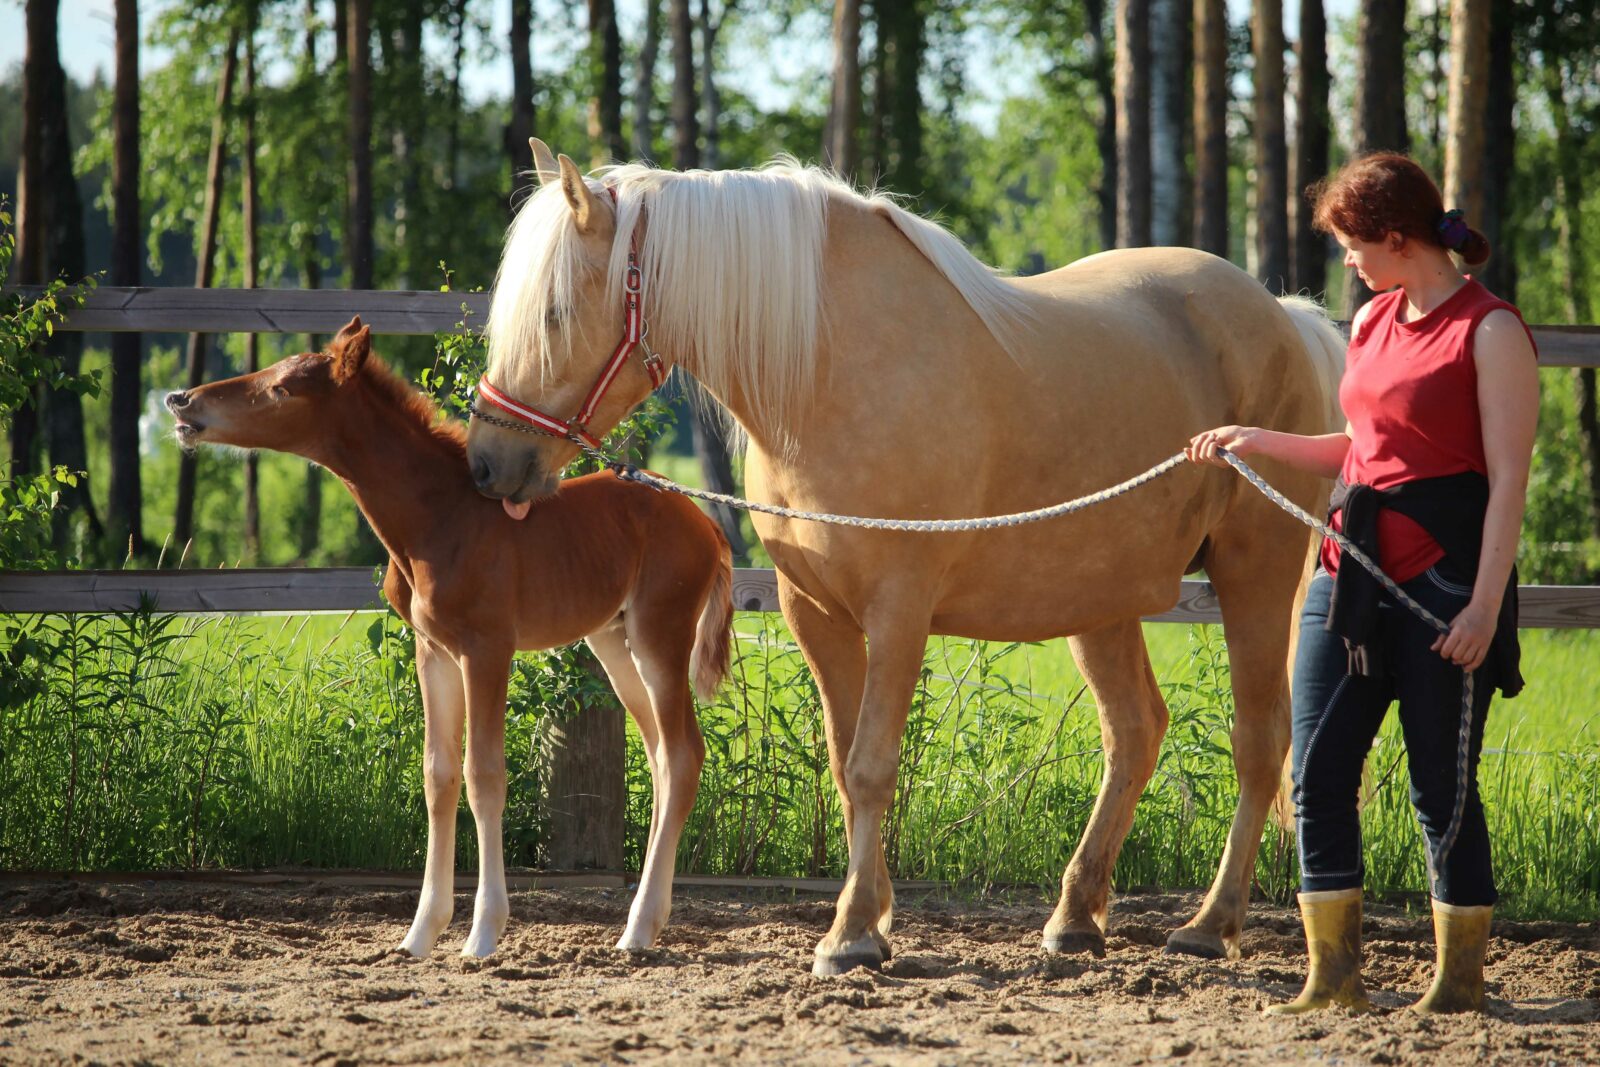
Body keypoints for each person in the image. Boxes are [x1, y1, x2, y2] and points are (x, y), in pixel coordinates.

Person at [1187, 152, 1539, 1015]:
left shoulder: (1490, 332)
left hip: (1444, 584)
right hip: (1349, 572)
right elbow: (1364, 450)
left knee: (1439, 786)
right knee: (1316, 770)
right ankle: (1332, 977)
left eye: (1352, 244)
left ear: (1395, 236)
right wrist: (1257, 438)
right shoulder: (1377, 319)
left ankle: (1458, 983)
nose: (1346, 261)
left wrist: (1484, 607)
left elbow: (1507, 482)